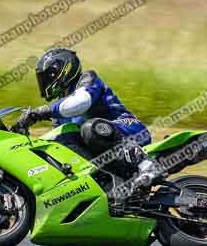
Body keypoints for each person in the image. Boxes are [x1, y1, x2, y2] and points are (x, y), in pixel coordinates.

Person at [15, 48, 163, 202]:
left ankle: (147, 166)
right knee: (61, 143)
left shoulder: (87, 80)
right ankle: (108, 187)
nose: (44, 82)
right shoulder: (59, 112)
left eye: (48, 76)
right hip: (104, 152)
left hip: (129, 130)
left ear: (63, 69)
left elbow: (81, 102)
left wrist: (40, 112)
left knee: (89, 128)